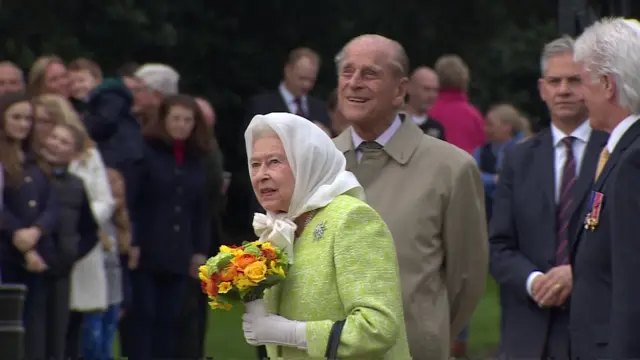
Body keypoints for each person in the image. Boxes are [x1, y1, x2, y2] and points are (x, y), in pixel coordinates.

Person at [332, 34, 487, 360]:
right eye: (347, 72)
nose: (354, 83)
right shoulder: (317, 163)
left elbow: (466, 280)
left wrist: (427, 333)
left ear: (401, 91)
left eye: (369, 74)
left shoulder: (452, 168)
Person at [241, 112, 411, 359]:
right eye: (255, 164)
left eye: (274, 161)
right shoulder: (276, 229)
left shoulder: (352, 219)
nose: (261, 175)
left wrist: (291, 333)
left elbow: (378, 328)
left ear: (307, 162)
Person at [489, 36, 608, 360]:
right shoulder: (518, 159)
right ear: (542, 89)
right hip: (528, 334)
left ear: (593, 85)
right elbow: (498, 246)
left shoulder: (617, 153)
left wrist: (577, 274)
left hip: (596, 332)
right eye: (555, 81)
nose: (564, 90)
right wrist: (533, 282)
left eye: (574, 80)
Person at [570, 18, 640, 360]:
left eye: (583, 81)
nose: (579, 94)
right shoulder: (622, 153)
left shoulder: (632, 162)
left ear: (608, 85)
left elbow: (632, 284)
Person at [129, 94, 211, 360]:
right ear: (164, 120)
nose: (182, 125)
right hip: (147, 250)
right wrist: (132, 242)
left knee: (171, 320)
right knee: (144, 318)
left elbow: (200, 209)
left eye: (188, 120)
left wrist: (199, 251)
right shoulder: (145, 151)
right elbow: (134, 202)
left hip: (180, 252)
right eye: (176, 119)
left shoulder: (197, 159)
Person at [0, 92, 60, 360]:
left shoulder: (37, 159)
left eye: (27, 118)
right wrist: (19, 236)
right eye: (16, 117)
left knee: (35, 327)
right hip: (8, 253)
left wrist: (37, 231)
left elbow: (54, 203)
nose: (23, 124)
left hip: (38, 251)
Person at [38, 122, 101, 360]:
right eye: (53, 137)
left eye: (64, 142)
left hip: (61, 271)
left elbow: (90, 230)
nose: (55, 144)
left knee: (57, 338)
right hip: (30, 267)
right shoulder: (28, 176)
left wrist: (71, 254)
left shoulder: (76, 186)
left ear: (74, 155)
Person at [82, 168, 131, 360]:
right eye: (109, 183)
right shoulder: (94, 221)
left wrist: (124, 300)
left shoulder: (122, 225)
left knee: (106, 343)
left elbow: (124, 266)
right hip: (94, 292)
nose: (115, 188)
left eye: (119, 183)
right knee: (93, 344)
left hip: (114, 294)